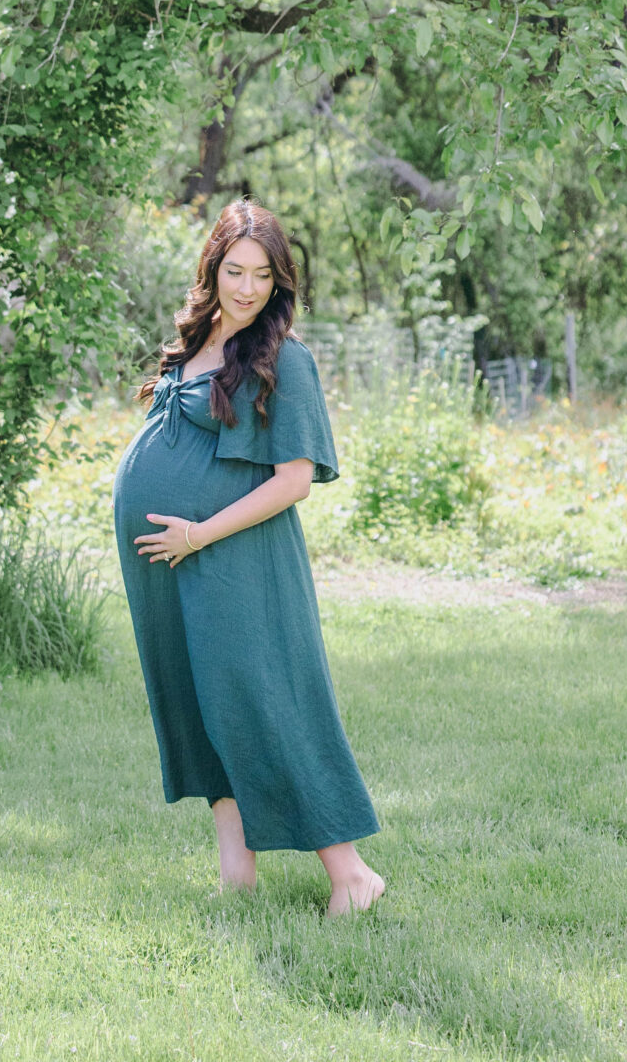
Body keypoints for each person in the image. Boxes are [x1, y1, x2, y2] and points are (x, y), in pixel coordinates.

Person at [113, 197, 385, 915]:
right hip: (169, 564)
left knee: (264, 703)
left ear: (277, 282)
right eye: (234, 271)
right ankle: (237, 869)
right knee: (198, 703)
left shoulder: (285, 360)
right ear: (212, 269)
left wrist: (197, 534)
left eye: (261, 276)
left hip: (233, 560)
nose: (245, 288)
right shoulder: (196, 342)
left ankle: (351, 875)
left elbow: (293, 481)